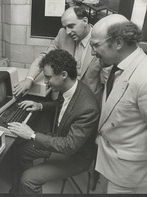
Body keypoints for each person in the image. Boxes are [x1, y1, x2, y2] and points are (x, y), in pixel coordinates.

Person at [8, 49, 100, 194]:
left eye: (48, 77)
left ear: (64, 74)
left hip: (76, 156)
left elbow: (70, 146)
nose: (45, 82)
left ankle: (29, 184)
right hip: (60, 139)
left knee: (28, 179)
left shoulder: (87, 107)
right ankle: (27, 188)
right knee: (21, 150)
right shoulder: (70, 88)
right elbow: (62, 106)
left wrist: (32, 135)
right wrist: (40, 105)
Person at [91, 14, 147, 194]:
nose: (93, 52)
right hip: (108, 159)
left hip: (127, 171)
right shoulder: (116, 66)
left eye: (96, 45)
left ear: (119, 42)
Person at [13, 5, 105, 100]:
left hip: (87, 101)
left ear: (85, 21)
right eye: (65, 27)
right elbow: (45, 57)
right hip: (61, 98)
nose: (68, 31)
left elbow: (108, 81)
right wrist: (29, 79)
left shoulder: (100, 39)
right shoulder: (63, 34)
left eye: (71, 26)